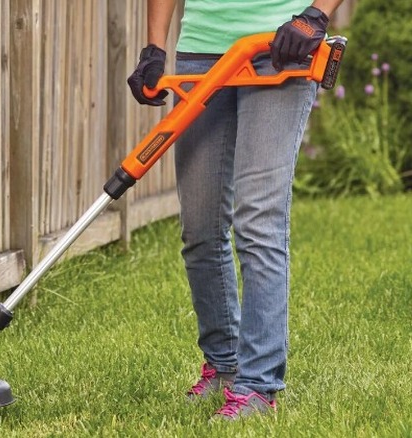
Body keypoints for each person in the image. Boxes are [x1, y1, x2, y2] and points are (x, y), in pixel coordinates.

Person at [127, 0, 344, 421]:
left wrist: (314, 15)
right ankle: (224, 364)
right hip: (200, 54)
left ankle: (259, 386)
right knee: (200, 228)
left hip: (281, 48)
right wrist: (154, 48)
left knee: (258, 223)